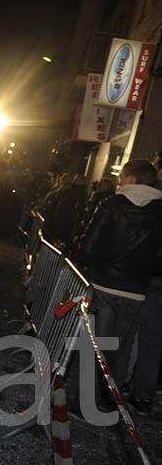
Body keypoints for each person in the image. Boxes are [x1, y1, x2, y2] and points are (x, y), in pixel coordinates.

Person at [75, 158, 162, 411]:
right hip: (135, 291)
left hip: (104, 283)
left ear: (132, 179)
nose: (120, 181)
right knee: (116, 348)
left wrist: (97, 263)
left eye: (123, 177)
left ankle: (82, 401)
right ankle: (101, 398)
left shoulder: (111, 204)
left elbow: (89, 245)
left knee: (93, 344)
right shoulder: (159, 212)